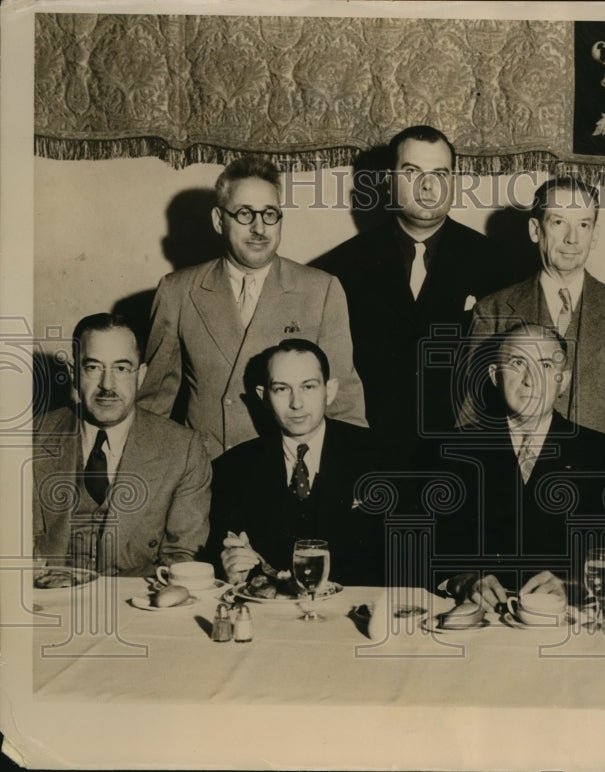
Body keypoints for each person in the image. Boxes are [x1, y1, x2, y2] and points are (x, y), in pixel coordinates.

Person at [463, 177, 605, 545]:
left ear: (594, 234)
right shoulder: (494, 309)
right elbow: (471, 409)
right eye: (559, 222)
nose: (572, 238)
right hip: (508, 505)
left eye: (584, 224)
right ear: (536, 230)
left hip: (593, 502)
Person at [138, 156, 366, 459]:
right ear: (219, 220)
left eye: (270, 214)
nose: (259, 228)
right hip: (208, 471)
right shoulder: (178, 291)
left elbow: (343, 402)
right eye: (245, 214)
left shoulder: (320, 290)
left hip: (286, 471)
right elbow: (153, 405)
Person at [312, 125, 511, 461]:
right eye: (412, 172)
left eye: (440, 173)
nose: (428, 186)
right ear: (389, 180)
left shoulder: (499, 265)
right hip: (366, 455)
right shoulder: (339, 267)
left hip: (466, 458)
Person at [436, 324, 605, 607]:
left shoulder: (600, 453)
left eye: (546, 365)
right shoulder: (453, 450)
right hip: (479, 616)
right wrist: (461, 580)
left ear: (563, 380)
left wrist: (573, 586)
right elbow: (427, 548)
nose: (531, 380)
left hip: (562, 617)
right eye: (517, 363)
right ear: (495, 375)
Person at [33, 314, 211, 576]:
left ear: (141, 375)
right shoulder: (30, 439)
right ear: (74, 374)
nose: (107, 385)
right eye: (93, 367)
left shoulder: (184, 449)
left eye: (121, 368)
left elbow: (183, 558)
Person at [209, 339, 382, 587]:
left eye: (308, 387)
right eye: (282, 389)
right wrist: (230, 573)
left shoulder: (379, 456)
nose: (296, 403)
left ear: (330, 390)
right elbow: (222, 557)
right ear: (264, 396)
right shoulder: (233, 468)